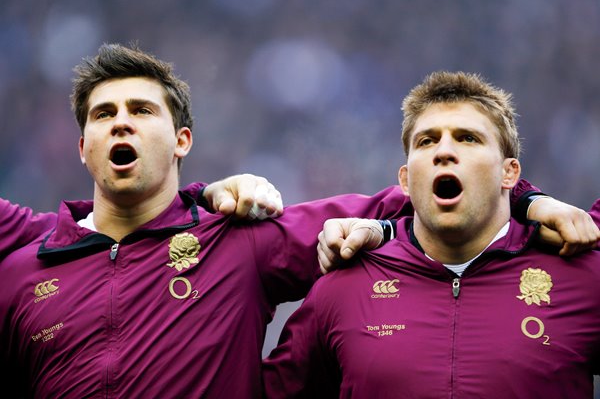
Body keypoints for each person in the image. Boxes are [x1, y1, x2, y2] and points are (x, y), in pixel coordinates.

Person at [0, 44, 593, 398]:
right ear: (82, 147)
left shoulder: (240, 241)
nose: (121, 123)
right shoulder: (24, 270)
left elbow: (429, 201)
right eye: (104, 114)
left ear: (182, 139)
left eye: (141, 110)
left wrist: (528, 203)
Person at [262, 71, 600, 398]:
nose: (444, 151)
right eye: (427, 140)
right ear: (406, 180)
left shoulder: (583, 279)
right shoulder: (341, 290)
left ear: (509, 173)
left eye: (468, 138)